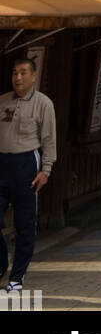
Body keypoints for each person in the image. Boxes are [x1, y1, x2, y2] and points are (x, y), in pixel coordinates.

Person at [0, 56, 56, 293]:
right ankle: (1, 264)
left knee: (25, 224)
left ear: (34, 76)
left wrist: (46, 170)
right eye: (15, 73)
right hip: (2, 163)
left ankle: (17, 276)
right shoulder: (2, 101)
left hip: (26, 164)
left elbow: (49, 139)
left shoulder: (43, 103)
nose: (18, 77)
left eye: (23, 73)